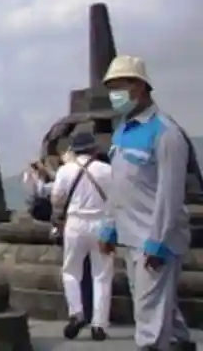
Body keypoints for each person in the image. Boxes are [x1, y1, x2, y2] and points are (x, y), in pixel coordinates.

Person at [98, 54, 195, 351]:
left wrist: (157, 242)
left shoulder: (166, 134)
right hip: (131, 237)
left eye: (120, 85)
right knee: (158, 308)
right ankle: (181, 344)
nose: (114, 94)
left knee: (148, 322)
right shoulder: (123, 132)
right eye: (110, 87)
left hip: (155, 239)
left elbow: (170, 194)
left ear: (139, 87)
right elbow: (119, 185)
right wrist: (109, 227)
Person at [46, 131, 114, 341]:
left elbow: (56, 199)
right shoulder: (108, 170)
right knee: (101, 275)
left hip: (75, 223)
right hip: (102, 224)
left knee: (71, 271)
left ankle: (76, 313)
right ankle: (99, 324)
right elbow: (118, 198)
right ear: (94, 150)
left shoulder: (66, 170)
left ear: (74, 151)